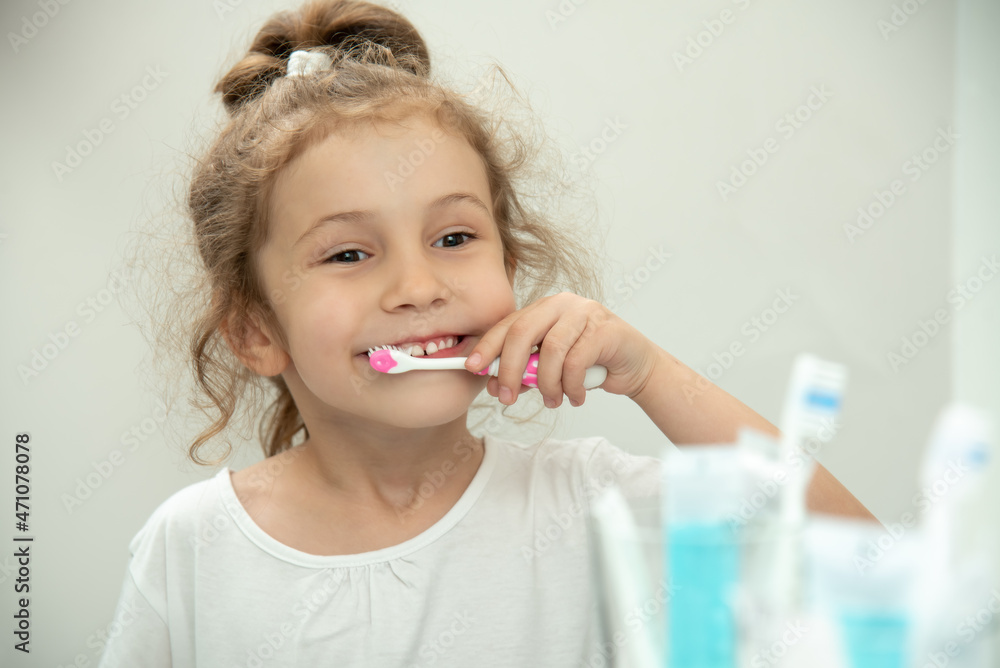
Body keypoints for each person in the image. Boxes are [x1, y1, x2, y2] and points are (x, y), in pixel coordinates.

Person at [99, 1, 874, 665]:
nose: (419, 287)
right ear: (255, 330)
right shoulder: (190, 549)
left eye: (454, 238)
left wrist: (651, 375)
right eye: (348, 253)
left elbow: (866, 564)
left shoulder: (586, 502)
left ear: (509, 265)